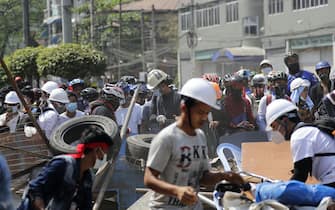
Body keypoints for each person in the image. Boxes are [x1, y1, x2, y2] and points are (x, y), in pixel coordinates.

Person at [144, 78, 244, 210]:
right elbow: (149, 179)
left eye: (207, 113)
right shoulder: (167, 138)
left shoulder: (200, 137)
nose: (204, 118)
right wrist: (177, 191)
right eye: (200, 112)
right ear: (184, 108)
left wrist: (224, 176)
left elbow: (203, 177)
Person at [21, 126, 114, 210]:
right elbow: (36, 188)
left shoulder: (87, 178)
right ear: (96, 149)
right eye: (104, 154)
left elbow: (86, 206)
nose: (103, 159)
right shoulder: (62, 165)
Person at [266, 99, 335, 187]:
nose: (274, 131)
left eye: (274, 126)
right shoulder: (307, 130)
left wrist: (280, 189)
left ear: (285, 120)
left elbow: (300, 176)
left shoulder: (300, 136)